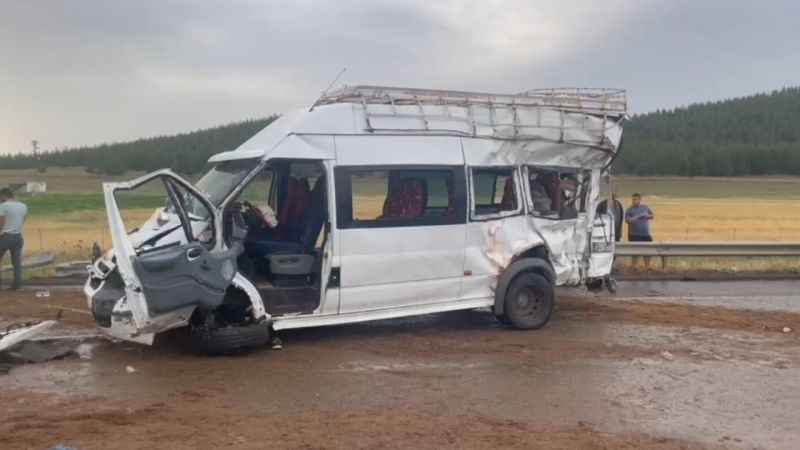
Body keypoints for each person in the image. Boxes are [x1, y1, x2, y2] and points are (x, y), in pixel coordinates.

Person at [0, 187, 28, 290]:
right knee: (17, 263)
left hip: (5, 236)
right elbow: (23, 220)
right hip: (18, 237)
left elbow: (1, 222)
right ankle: (18, 285)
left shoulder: (3, 206)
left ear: (3, 195)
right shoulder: (23, 206)